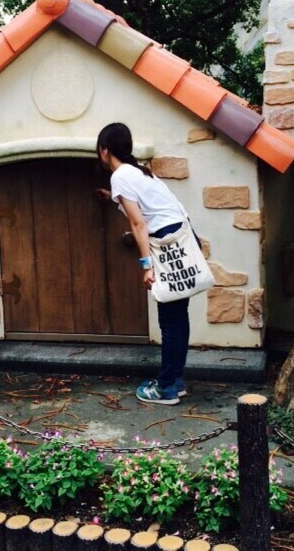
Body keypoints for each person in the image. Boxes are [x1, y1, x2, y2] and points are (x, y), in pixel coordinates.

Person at [96, 122, 199, 405]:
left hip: (167, 245)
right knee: (177, 317)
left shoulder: (120, 176)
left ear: (104, 150)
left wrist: (147, 265)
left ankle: (166, 387)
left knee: (170, 320)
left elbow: (139, 223)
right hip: (183, 238)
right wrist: (113, 198)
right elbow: (149, 206)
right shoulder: (140, 172)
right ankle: (174, 381)